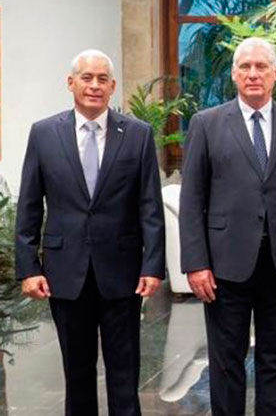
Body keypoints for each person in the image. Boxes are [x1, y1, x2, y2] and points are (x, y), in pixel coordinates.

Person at [15, 49, 165, 416]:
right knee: (77, 373)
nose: (94, 86)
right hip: (65, 272)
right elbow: (30, 204)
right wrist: (28, 267)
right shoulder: (44, 133)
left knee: (124, 371)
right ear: (71, 83)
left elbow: (150, 206)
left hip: (123, 272)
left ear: (113, 86)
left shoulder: (138, 134)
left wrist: (152, 266)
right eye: (86, 77)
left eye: (102, 79)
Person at [179, 37, 276, 416]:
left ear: (275, 74)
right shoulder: (206, 124)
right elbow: (192, 199)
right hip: (224, 266)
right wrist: (195, 262)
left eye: (261, 67)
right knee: (226, 361)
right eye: (245, 67)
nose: (253, 74)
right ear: (234, 75)